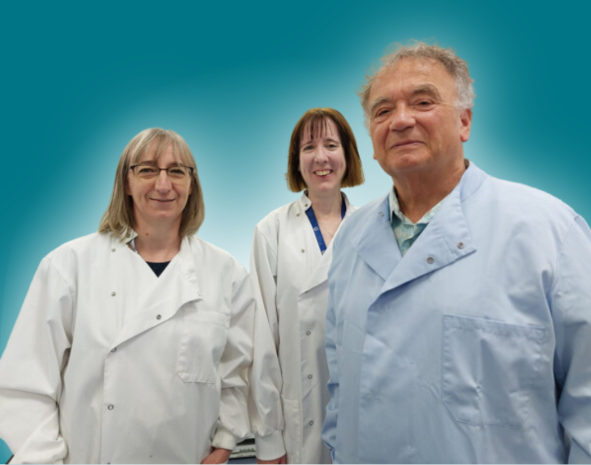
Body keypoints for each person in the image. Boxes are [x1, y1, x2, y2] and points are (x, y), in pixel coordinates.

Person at [321, 42, 591, 463]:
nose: (401, 120)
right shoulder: (351, 238)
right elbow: (339, 382)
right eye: (383, 111)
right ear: (372, 141)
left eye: (423, 102)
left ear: (465, 121)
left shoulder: (549, 232)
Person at [0, 128, 256, 464]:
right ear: (126, 182)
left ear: (192, 185)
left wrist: (225, 444)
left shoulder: (227, 275)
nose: (163, 184)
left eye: (177, 171)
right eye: (148, 169)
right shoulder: (69, 267)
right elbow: (24, 385)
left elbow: (238, 377)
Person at [249, 108, 364, 464]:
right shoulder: (272, 231)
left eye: (331, 144)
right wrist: (268, 439)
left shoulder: (370, 228)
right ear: (296, 162)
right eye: (308, 148)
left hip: (362, 413)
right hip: (297, 420)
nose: (320, 157)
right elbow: (260, 338)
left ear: (348, 156)